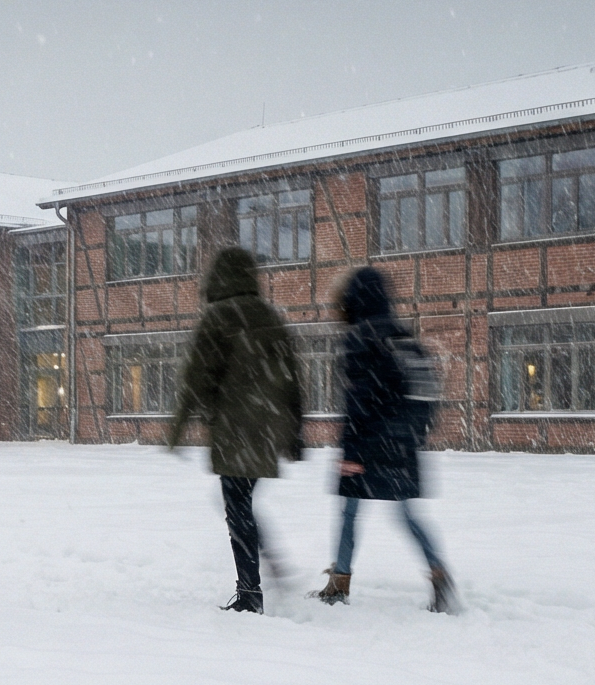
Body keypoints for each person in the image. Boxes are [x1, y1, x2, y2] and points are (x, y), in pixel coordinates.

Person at [166, 246, 305, 612]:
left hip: (233, 429)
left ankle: (250, 593)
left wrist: (178, 428)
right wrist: (295, 433)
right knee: (240, 502)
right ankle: (263, 570)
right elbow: (293, 379)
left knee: (237, 506)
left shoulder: (219, 317)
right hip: (266, 428)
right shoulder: (270, 317)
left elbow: (196, 377)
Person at [318, 266, 456, 613]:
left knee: (349, 512)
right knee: (407, 515)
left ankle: (339, 584)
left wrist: (351, 449)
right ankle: (440, 575)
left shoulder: (360, 338)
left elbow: (358, 401)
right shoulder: (404, 337)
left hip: (367, 444)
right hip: (402, 444)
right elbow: (426, 395)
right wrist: (411, 436)